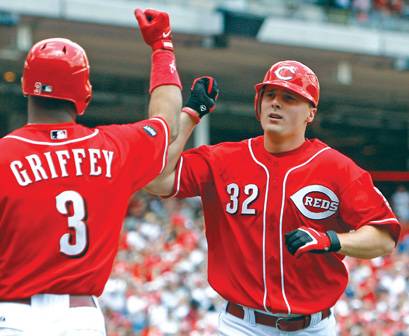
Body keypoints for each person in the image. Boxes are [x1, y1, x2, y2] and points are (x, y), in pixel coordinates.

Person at [145, 61, 401, 335]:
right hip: (241, 325)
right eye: (270, 95)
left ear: (310, 113)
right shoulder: (223, 159)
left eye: (289, 97)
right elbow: (156, 180)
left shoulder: (337, 168)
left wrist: (331, 240)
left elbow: (384, 237)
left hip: (313, 327)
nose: (276, 103)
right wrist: (191, 114)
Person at [0, 8, 182, 336]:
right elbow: (167, 120)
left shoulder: (3, 156)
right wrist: (162, 46)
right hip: (78, 318)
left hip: (12, 315)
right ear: (83, 94)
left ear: (27, 87)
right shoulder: (113, 147)